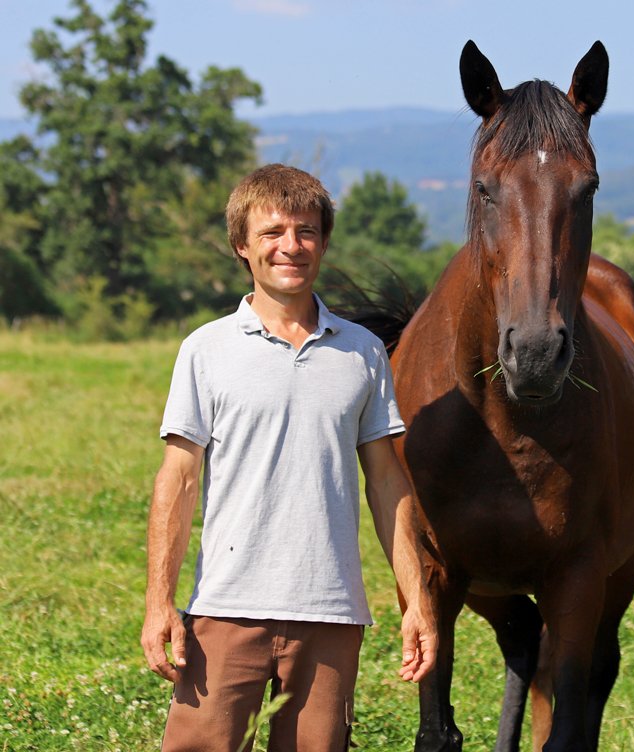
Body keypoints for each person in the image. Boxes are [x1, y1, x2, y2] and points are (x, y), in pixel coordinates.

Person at [139, 163, 436, 751]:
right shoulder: (206, 350)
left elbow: (386, 482)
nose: (290, 246)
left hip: (331, 615)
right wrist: (158, 603)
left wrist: (417, 600)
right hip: (225, 609)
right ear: (241, 245)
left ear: (323, 242)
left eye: (305, 232)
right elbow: (179, 480)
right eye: (272, 232)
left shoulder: (363, 353)